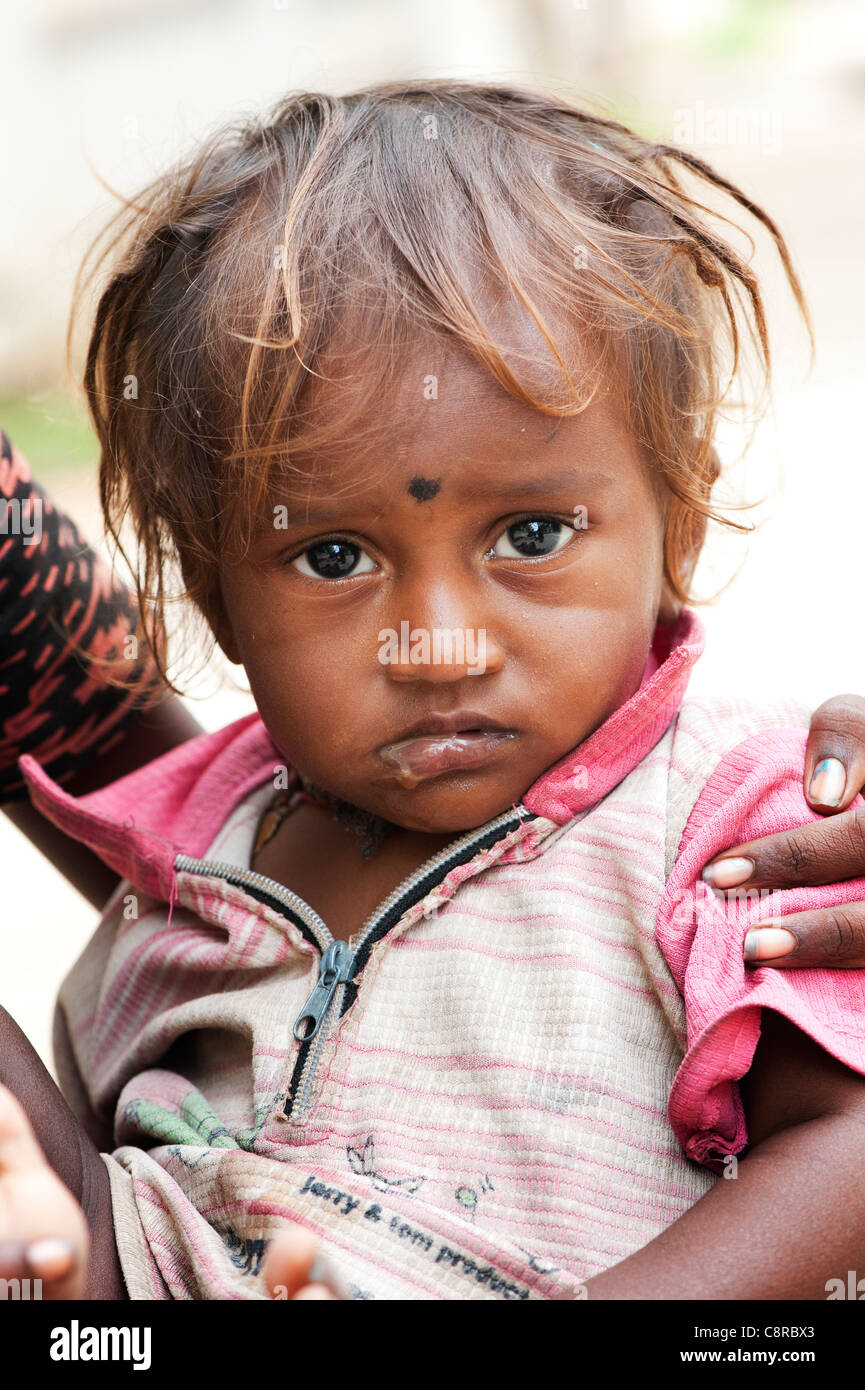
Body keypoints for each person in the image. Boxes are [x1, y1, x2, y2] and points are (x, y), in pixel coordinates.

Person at [5, 80, 865, 1301]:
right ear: (214, 592)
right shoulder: (170, 882)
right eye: (333, 557)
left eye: (529, 532)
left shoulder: (727, 826)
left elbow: (845, 1147)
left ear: (672, 518)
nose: (438, 645)